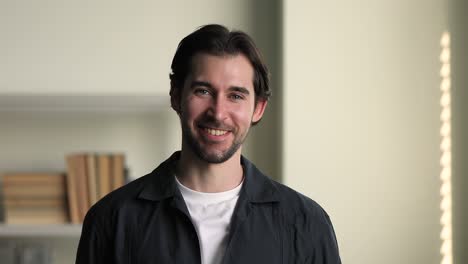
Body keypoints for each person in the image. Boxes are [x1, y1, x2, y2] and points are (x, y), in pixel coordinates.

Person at [76, 24, 341, 264]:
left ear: (258, 108)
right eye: (203, 91)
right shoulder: (111, 219)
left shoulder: (306, 222)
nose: (218, 112)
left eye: (235, 95)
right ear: (176, 95)